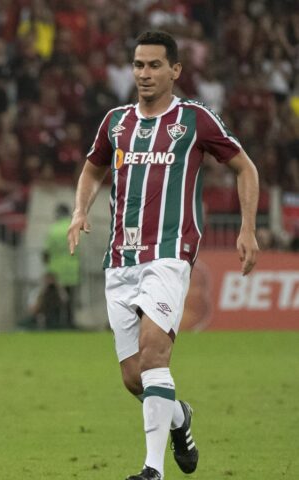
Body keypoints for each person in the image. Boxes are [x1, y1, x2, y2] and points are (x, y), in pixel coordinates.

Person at [68, 31, 259, 480]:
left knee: (155, 356)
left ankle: (152, 470)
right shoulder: (115, 122)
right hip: (120, 259)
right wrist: (81, 210)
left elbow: (244, 166)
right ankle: (180, 419)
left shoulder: (194, 120)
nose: (145, 74)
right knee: (136, 378)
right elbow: (93, 167)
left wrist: (248, 226)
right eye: (138, 65)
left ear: (175, 70)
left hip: (170, 253)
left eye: (155, 65)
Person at [44, 203, 80, 328]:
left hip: (55, 269)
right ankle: (69, 323)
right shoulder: (73, 228)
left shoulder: (53, 229)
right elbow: (78, 248)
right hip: (71, 269)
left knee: (54, 298)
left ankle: (54, 323)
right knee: (70, 299)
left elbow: (46, 251)